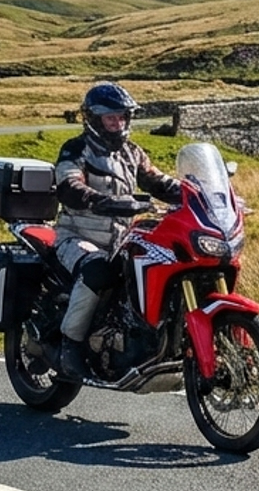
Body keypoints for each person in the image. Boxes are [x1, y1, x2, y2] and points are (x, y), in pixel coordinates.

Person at [51, 82, 182, 380]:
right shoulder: (76, 149)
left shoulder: (132, 153)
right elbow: (70, 186)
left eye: (122, 116)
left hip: (121, 241)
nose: (118, 123)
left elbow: (159, 183)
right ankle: (70, 346)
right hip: (77, 237)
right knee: (97, 269)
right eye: (111, 117)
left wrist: (199, 194)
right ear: (94, 119)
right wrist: (102, 201)